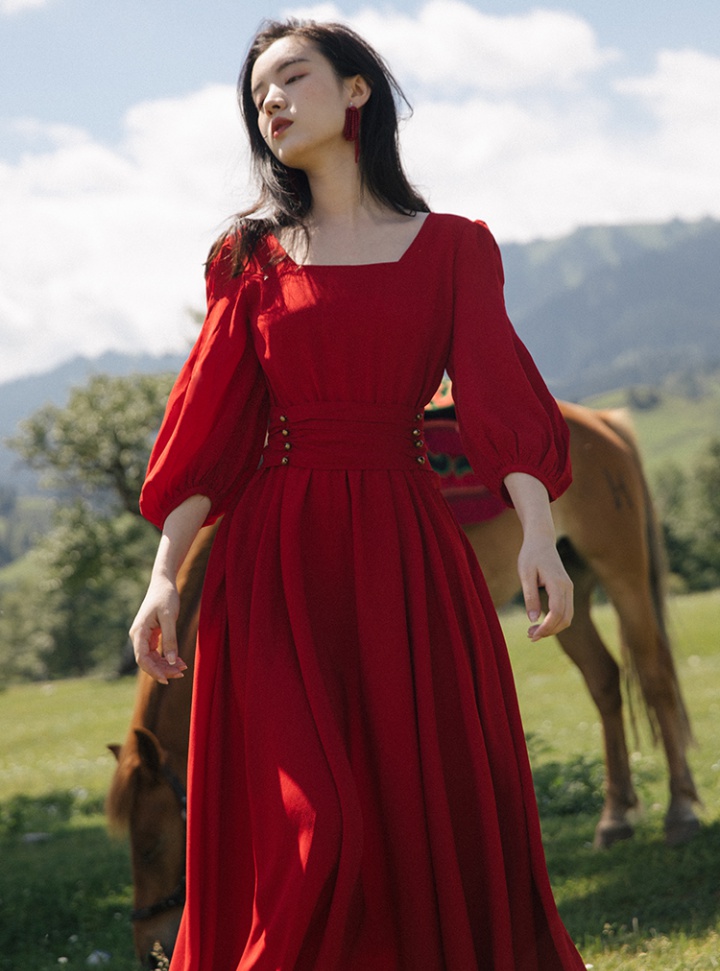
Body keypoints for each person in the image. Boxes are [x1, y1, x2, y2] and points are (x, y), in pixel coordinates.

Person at [130, 17, 586, 971]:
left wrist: (539, 535)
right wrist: (164, 577)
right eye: (259, 95)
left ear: (357, 92)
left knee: (415, 810)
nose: (273, 104)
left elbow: (500, 396)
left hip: (404, 559)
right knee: (313, 824)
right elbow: (206, 432)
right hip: (277, 568)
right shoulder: (248, 259)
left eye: (292, 78)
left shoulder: (455, 247)